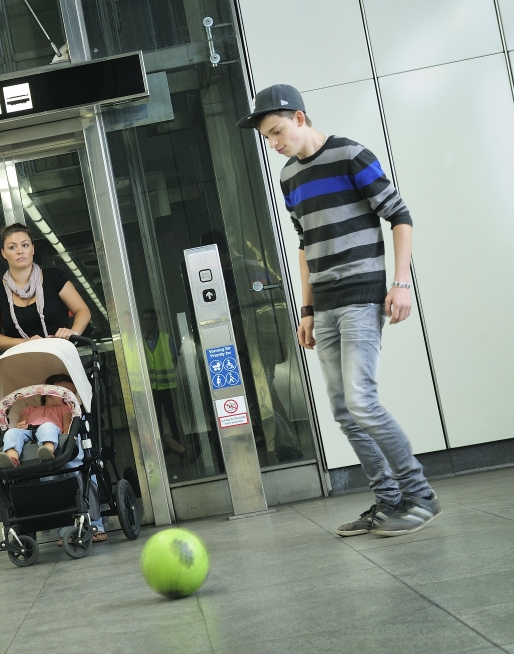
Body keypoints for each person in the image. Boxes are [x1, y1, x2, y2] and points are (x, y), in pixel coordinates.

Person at [237, 84, 440, 537]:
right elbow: (306, 246)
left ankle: (420, 495)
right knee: (344, 410)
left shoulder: (351, 154)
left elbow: (400, 216)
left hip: (363, 294)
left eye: (277, 132)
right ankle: (388, 502)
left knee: (362, 401)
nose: (274, 144)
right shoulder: (289, 177)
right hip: (325, 305)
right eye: (268, 138)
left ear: (300, 118)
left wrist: (401, 282)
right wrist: (306, 308)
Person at [0, 223, 91, 350]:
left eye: (25, 245)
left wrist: (73, 333)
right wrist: (27, 342)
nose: (20, 251)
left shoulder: (54, 277)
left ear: (33, 249)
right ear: (4, 253)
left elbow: (83, 311)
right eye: (12, 247)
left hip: (60, 357)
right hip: (21, 363)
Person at [140, 308, 193, 460]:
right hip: (150, 389)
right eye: (146, 319)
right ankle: (162, 450)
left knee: (173, 419)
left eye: (152, 319)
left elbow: (175, 360)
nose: (149, 321)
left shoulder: (166, 338)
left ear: (156, 322)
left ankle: (179, 448)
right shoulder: (138, 341)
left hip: (168, 387)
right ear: (142, 323)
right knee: (155, 422)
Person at [0, 374, 76, 468]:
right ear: (49, 390)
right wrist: (18, 427)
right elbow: (21, 425)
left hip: (52, 431)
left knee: (47, 426)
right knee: (11, 432)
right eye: (65, 391)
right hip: (29, 431)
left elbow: (67, 426)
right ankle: (12, 459)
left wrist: (67, 439)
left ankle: (48, 451)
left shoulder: (65, 409)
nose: (68, 397)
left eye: (72, 393)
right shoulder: (30, 409)